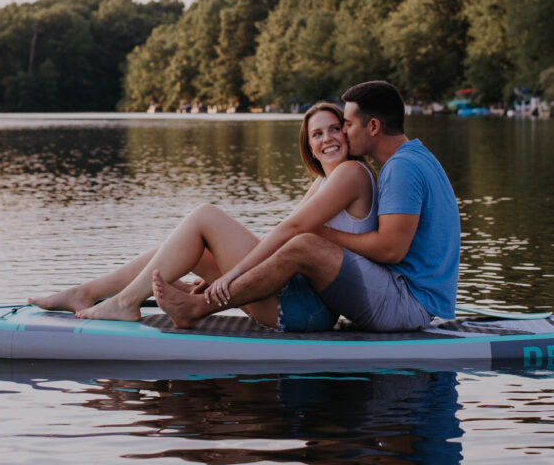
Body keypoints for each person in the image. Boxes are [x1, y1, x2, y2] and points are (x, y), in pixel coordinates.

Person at [29, 102, 377, 331]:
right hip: (299, 299)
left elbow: (291, 231)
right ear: (309, 145)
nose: (328, 138)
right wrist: (216, 275)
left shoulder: (349, 173)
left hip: (305, 311)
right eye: (317, 134)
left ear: (346, 133)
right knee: (186, 247)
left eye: (334, 129)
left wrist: (234, 273)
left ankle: (123, 302)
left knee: (204, 217)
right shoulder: (324, 180)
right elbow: (283, 238)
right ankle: (85, 292)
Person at [155, 80, 460, 332]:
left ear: (374, 127)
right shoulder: (416, 157)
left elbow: (391, 251)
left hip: (408, 305)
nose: (344, 132)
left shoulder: (401, 168)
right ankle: (194, 292)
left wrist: (324, 234)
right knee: (303, 243)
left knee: (305, 245)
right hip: (410, 298)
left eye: (348, 124)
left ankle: (197, 308)